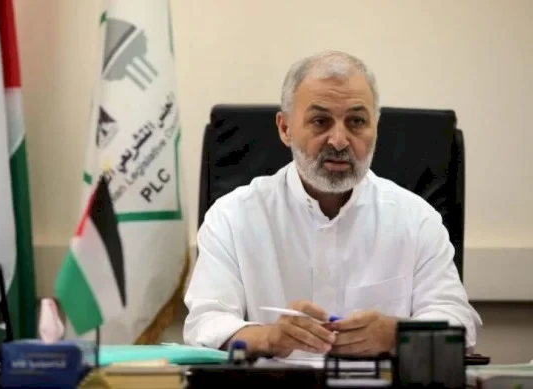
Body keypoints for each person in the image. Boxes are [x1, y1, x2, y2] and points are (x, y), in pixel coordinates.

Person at [183, 50, 482, 358]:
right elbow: (205, 325)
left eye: (356, 121)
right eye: (320, 121)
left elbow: (458, 324)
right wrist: (269, 338)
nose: (339, 140)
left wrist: (395, 335)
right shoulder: (232, 218)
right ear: (285, 128)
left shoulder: (417, 220)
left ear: (376, 127)